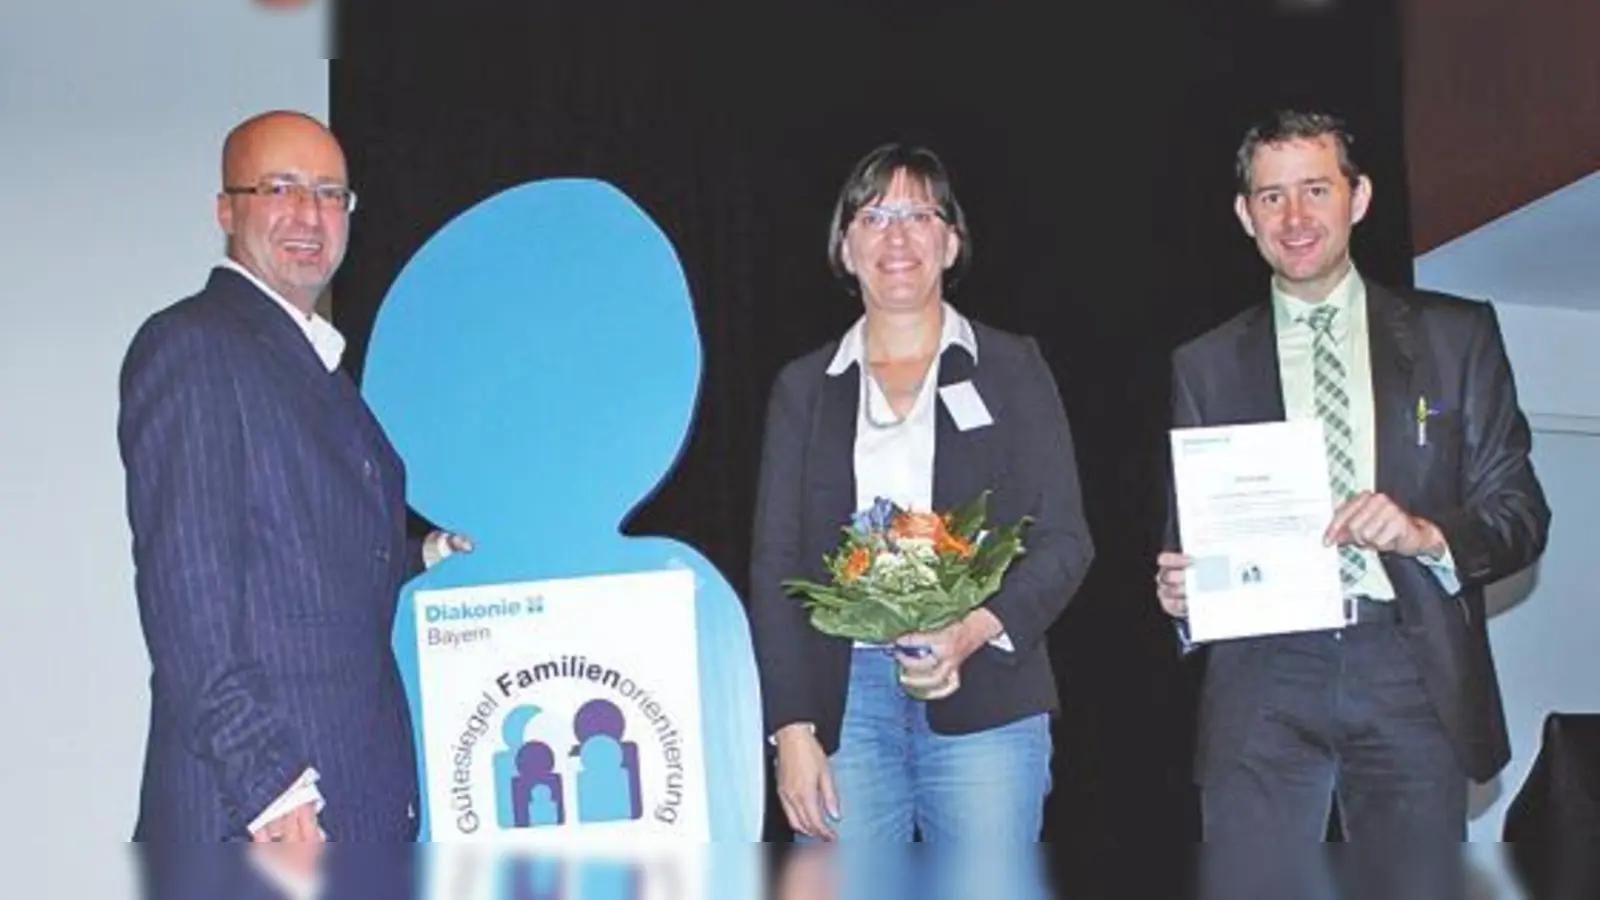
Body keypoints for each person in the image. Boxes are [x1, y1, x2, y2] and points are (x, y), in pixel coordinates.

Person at [1155, 110, 1549, 892]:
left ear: (1358, 198)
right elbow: (1188, 533)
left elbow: (1520, 514)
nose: (1295, 218)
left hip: (1407, 664)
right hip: (1264, 675)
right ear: (1245, 215)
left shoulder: (1456, 336)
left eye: (1315, 189)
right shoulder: (1203, 364)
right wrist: (1182, 594)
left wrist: (1425, 533)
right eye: (1271, 197)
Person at [118, 110, 470, 841]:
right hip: (265, 819)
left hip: (349, 796)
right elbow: (190, 593)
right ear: (227, 209)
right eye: (280, 187)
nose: (310, 213)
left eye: (331, 193)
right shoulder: (194, 347)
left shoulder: (317, 366)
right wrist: (270, 788)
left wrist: (425, 554)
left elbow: (312, 564)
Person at [749, 142, 1095, 842]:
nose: (897, 236)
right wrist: (790, 729)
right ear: (845, 248)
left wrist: (971, 631)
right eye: (873, 217)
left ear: (951, 239)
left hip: (989, 698)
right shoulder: (803, 389)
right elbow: (774, 565)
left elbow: (1066, 540)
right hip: (843, 706)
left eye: (918, 214)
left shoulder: (1013, 367)